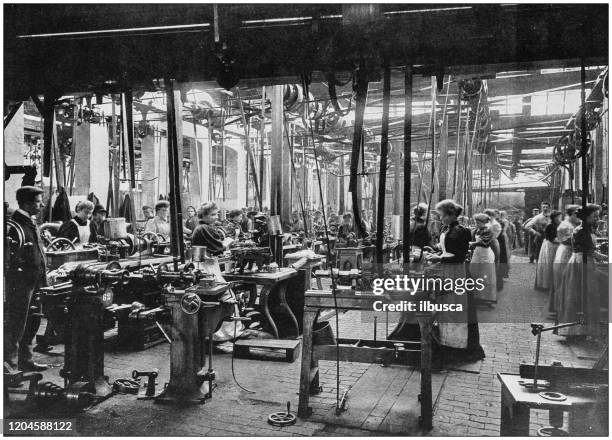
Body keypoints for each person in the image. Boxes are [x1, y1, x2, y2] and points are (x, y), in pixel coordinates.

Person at [425, 199, 484, 360]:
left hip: (457, 271)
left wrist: (439, 260)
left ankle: (457, 345)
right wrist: (435, 253)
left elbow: (458, 256)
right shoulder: (448, 228)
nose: (441, 218)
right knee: (446, 306)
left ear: (451, 215)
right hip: (447, 271)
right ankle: (445, 340)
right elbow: (447, 250)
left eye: (443, 215)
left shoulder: (461, 231)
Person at [5, 186, 48, 372]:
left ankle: (26, 360)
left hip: (35, 280)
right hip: (21, 283)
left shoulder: (29, 222)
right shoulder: (15, 225)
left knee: (33, 320)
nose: (42, 205)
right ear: (27, 203)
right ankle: (10, 367)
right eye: (39, 202)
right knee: (17, 323)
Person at [557, 204, 606, 338]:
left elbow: (590, 249)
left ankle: (584, 330)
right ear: (586, 217)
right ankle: (575, 331)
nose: (597, 218)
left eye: (597, 216)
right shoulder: (581, 231)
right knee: (580, 295)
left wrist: (598, 255)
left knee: (587, 294)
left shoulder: (588, 229)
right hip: (580, 263)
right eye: (594, 216)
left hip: (587, 262)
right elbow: (586, 250)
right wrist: (601, 256)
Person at [552, 205, 581, 318]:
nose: (579, 217)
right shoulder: (566, 225)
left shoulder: (571, 223)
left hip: (568, 251)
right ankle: (561, 309)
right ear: (572, 214)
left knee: (566, 280)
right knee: (563, 279)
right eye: (577, 214)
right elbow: (568, 241)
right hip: (566, 252)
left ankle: (564, 309)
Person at [469, 213, 496, 305]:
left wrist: (473, 244)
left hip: (485, 253)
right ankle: (477, 296)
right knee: (475, 274)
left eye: (478, 223)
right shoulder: (476, 230)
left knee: (485, 275)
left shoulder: (488, 230)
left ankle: (487, 298)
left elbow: (485, 243)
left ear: (484, 222)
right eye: (476, 223)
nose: (477, 224)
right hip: (477, 253)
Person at [535, 210, 561, 292]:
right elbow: (552, 238)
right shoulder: (549, 226)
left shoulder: (559, 224)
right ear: (554, 217)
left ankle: (555, 284)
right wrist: (563, 241)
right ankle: (546, 285)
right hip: (550, 246)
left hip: (557, 245)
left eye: (560, 217)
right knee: (548, 264)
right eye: (558, 217)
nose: (560, 218)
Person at [483, 209, 502, 290]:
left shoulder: (495, 224)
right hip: (487, 243)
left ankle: (496, 284)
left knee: (494, 263)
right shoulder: (488, 223)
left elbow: (494, 236)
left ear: (490, 216)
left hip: (493, 244)